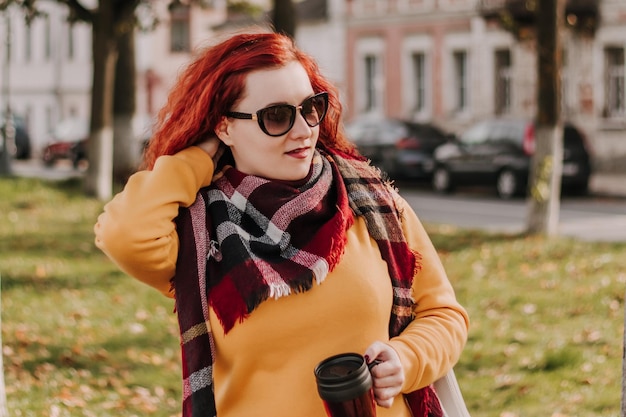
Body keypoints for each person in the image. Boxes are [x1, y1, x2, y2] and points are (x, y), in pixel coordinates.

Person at [94, 31, 469, 417]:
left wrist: (406, 359)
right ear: (224, 127)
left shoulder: (372, 202)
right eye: (276, 116)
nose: (304, 129)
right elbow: (125, 235)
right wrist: (197, 158)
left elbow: (443, 314)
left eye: (310, 108)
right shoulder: (202, 232)